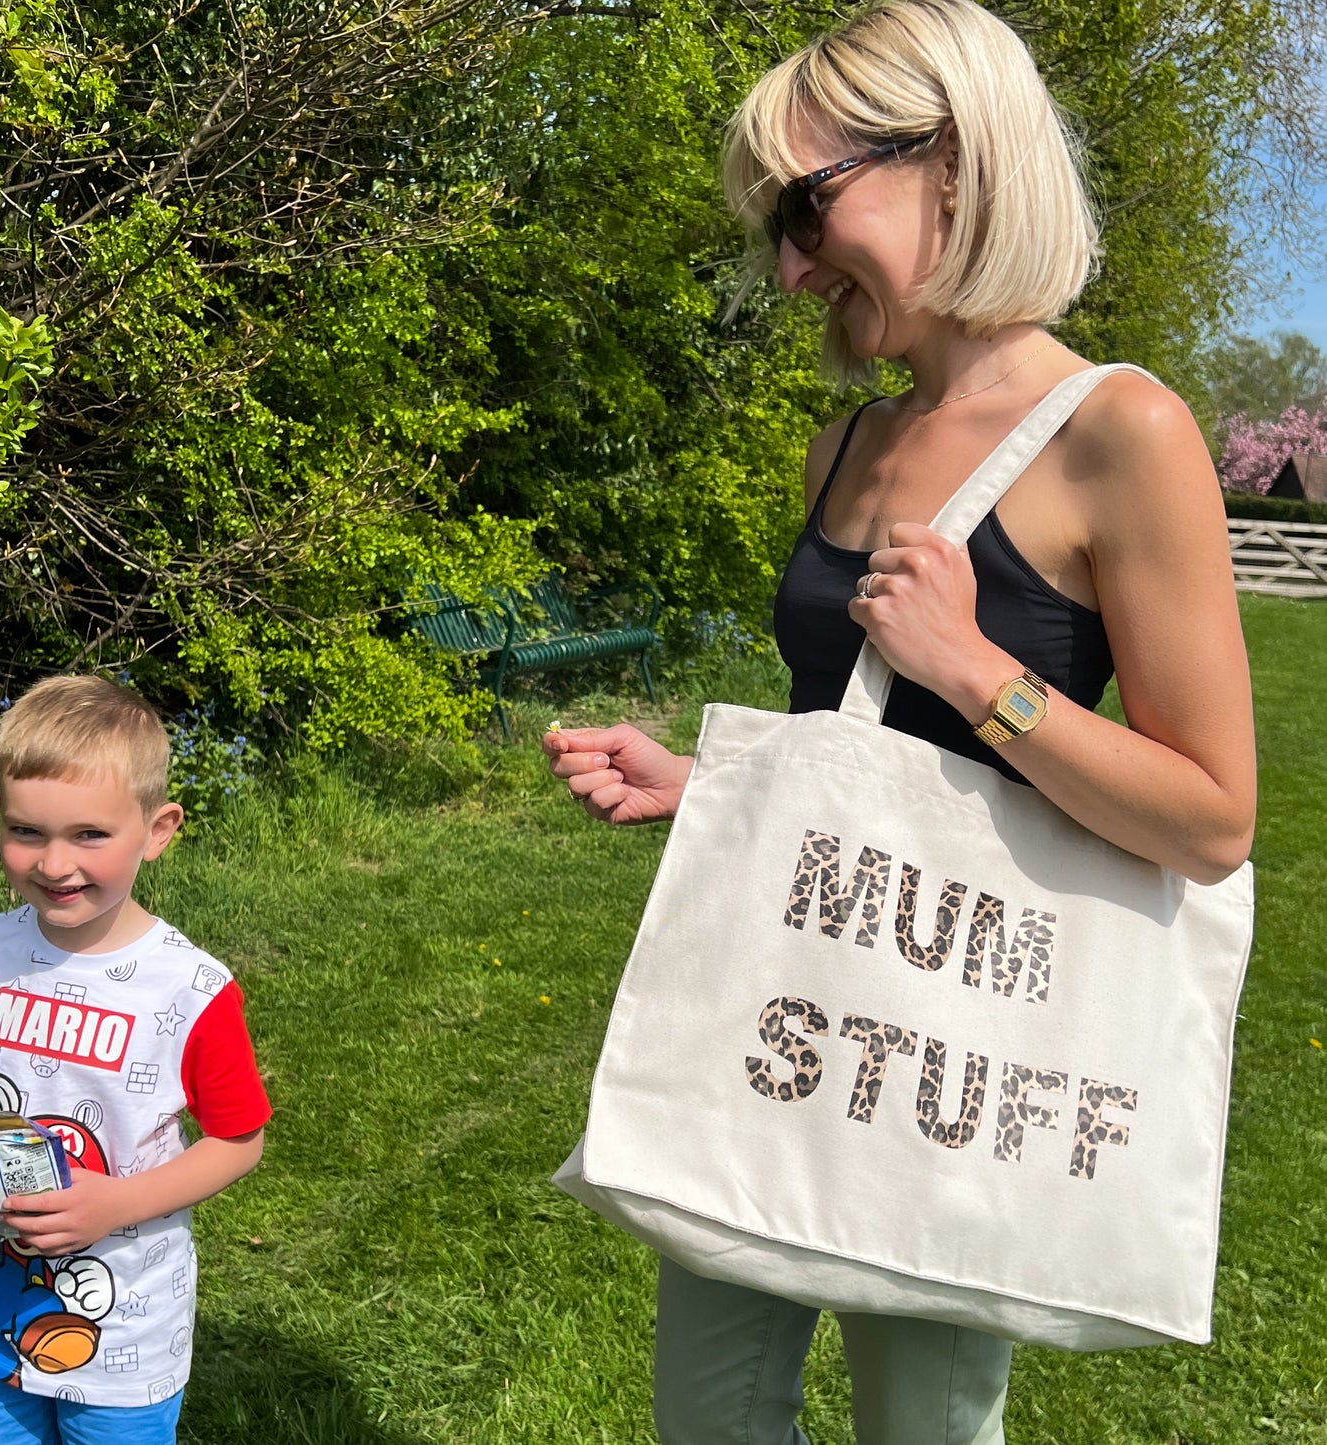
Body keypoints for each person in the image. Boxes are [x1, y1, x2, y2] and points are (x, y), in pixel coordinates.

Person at [542, 1, 1256, 1441]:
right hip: (792, 1001)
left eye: (806, 208)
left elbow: (1211, 815)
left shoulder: (1121, 433)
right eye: (775, 232)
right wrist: (703, 787)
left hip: (964, 1042)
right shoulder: (848, 446)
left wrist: (974, 666)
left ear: (952, 159)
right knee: (708, 1416)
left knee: (924, 1427)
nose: (793, 266)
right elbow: (859, 748)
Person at [0, 674, 272, 1445]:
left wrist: (115, 1205)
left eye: (90, 835)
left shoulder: (190, 988)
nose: (54, 862)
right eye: (27, 832)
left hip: (127, 1327)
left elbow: (240, 1140)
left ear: (158, 828)